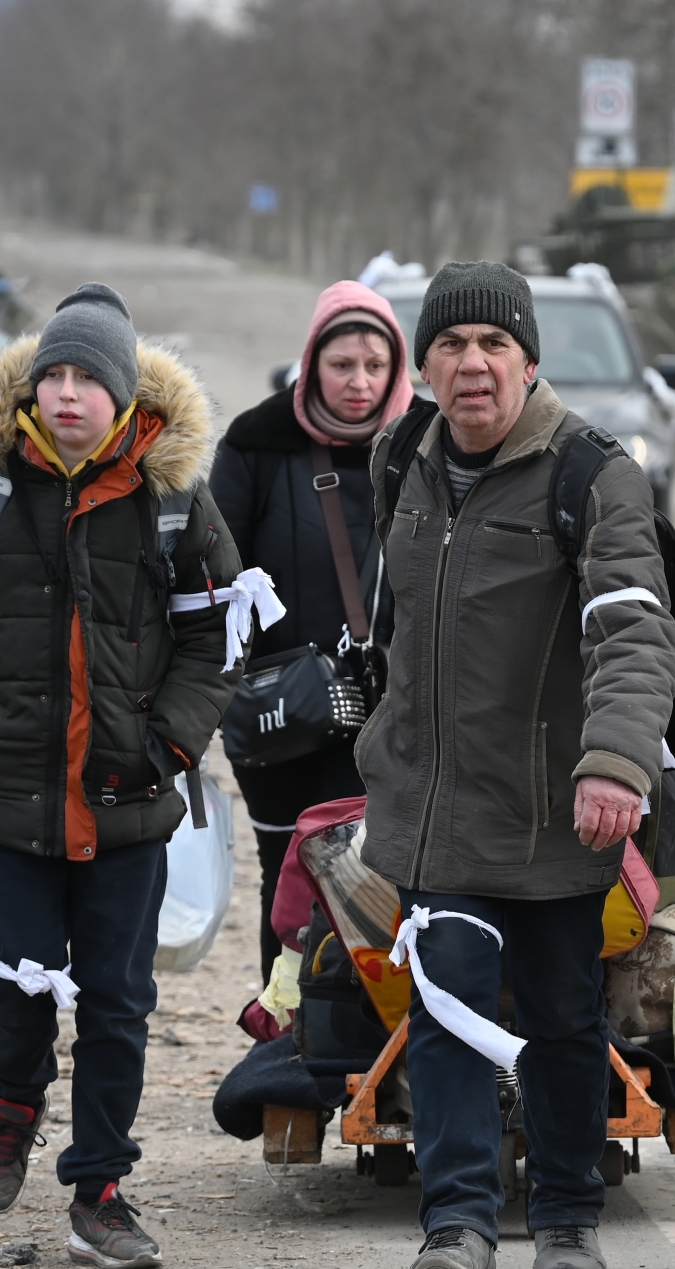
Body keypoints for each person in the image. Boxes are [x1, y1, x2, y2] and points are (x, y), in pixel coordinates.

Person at [0, 283, 251, 1269]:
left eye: (87, 376)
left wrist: (171, 745)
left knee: (118, 1001)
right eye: (52, 373)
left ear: (124, 393)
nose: (65, 392)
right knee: (15, 978)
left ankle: (99, 1187)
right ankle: (11, 1101)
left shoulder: (173, 497)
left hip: (129, 800)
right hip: (7, 795)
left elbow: (218, 633)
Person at [357, 261, 675, 1269]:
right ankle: (454, 1225)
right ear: (427, 365)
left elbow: (633, 632)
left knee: (561, 1017)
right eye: (449, 346)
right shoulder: (400, 455)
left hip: (555, 808)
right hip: (434, 804)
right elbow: (396, 621)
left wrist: (615, 762)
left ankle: (570, 1212)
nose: (471, 365)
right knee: (444, 1006)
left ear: (527, 361)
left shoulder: (592, 473)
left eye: (493, 345)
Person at [211, 279, 412, 985]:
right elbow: (213, 577)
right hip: (283, 716)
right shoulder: (256, 445)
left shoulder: (431, 446)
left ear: (397, 369)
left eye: (374, 366)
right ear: (311, 363)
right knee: (292, 879)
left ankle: (368, 1047)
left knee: (383, 878)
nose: (359, 383)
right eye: (341, 365)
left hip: (398, 716)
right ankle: (287, 1043)